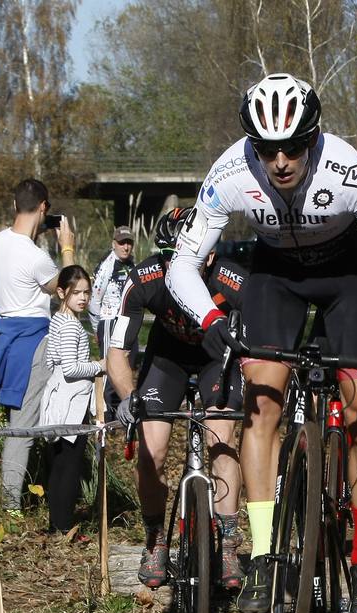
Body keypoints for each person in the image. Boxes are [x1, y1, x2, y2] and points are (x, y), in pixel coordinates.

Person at [166, 73, 357, 613]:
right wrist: (208, 320)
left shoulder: (347, 170)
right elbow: (182, 265)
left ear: (313, 138)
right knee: (260, 406)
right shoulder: (232, 172)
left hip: (346, 275)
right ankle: (262, 555)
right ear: (252, 146)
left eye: (293, 147)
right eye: (268, 150)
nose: (281, 161)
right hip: (276, 275)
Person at [107, 208, 247, 590]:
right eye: (170, 257)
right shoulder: (145, 279)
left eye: (189, 258)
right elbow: (118, 349)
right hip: (166, 359)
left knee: (223, 443)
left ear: (211, 255)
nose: (176, 267)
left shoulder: (233, 281)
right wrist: (127, 396)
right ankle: (154, 540)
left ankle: (230, 543)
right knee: (151, 452)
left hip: (215, 358)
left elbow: (257, 347)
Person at [0, 179, 76, 514]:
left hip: (3, 339)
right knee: (23, 429)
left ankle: (28, 492)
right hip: (32, 344)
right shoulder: (36, 258)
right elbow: (64, 288)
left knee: (20, 422)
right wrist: (67, 248)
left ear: (15, 205)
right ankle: (10, 507)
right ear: (44, 207)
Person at [37, 265, 104, 534]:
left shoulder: (60, 320)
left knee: (60, 464)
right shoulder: (69, 326)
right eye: (76, 292)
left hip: (59, 399)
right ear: (62, 292)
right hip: (69, 404)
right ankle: (63, 526)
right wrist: (98, 366)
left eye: (86, 292)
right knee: (68, 466)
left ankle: (58, 523)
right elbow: (70, 368)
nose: (83, 298)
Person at [90, 225, 136, 353]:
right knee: (108, 367)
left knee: (127, 367)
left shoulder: (132, 263)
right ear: (113, 244)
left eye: (129, 243)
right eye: (122, 243)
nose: (126, 247)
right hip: (109, 322)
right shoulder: (107, 265)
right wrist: (96, 328)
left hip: (128, 323)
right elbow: (94, 300)